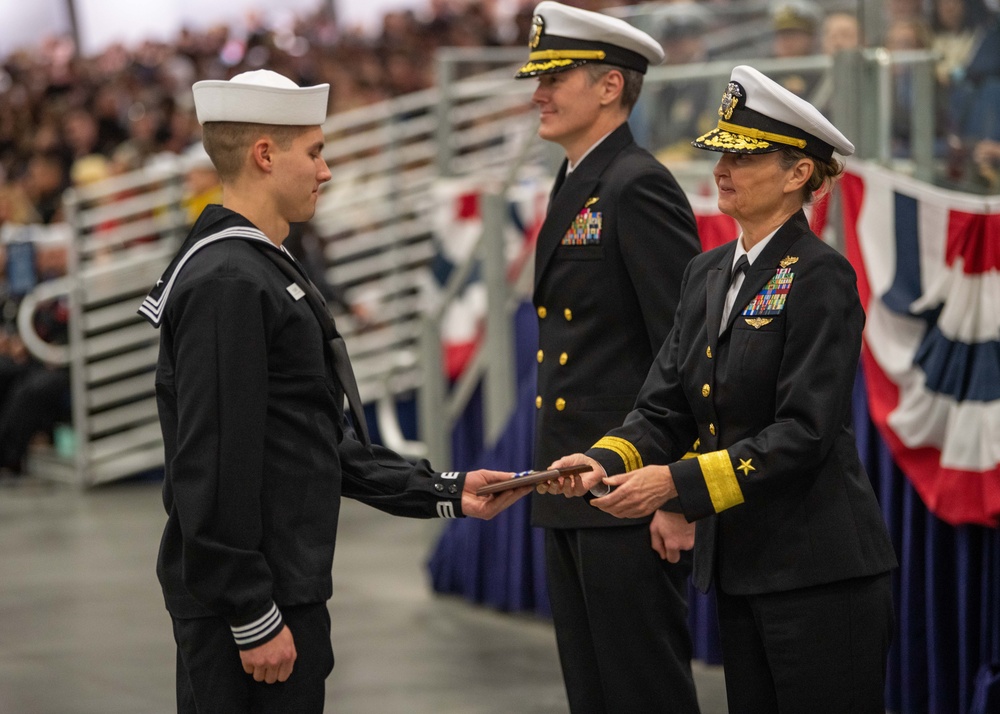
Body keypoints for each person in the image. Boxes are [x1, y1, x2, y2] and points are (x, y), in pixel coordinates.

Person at [137, 69, 528, 714]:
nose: (326, 170)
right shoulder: (230, 279)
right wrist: (250, 611)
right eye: (314, 151)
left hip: (281, 587)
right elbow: (209, 464)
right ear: (266, 155)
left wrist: (445, 490)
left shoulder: (258, 264)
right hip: (253, 608)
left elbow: (309, 436)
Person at [545, 65, 899, 713]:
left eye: (744, 154)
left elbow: (804, 433)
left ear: (799, 174)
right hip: (741, 569)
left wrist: (675, 485)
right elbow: (663, 406)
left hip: (819, 572)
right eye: (721, 153)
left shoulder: (822, 276)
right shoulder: (707, 272)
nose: (722, 168)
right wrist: (605, 458)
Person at [514, 4, 702, 712]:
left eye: (556, 76)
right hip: (574, 483)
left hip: (626, 488)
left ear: (610, 87)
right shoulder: (579, 179)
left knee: (642, 691)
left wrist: (674, 490)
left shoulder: (636, 183)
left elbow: (682, 349)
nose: (539, 91)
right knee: (593, 693)